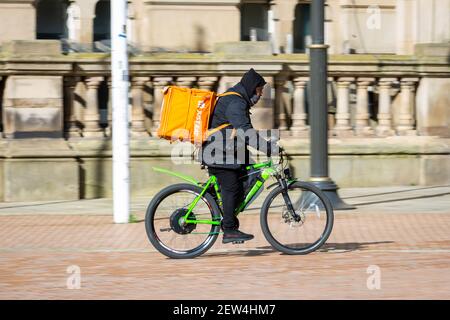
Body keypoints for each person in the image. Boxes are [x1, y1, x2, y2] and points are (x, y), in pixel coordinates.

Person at [199, 68, 278, 244]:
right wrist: (269, 148)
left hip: (226, 152)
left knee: (248, 175)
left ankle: (221, 207)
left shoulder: (236, 99)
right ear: (251, 88)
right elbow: (246, 133)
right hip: (218, 154)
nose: (260, 95)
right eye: (259, 91)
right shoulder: (236, 102)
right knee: (231, 187)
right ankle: (229, 229)